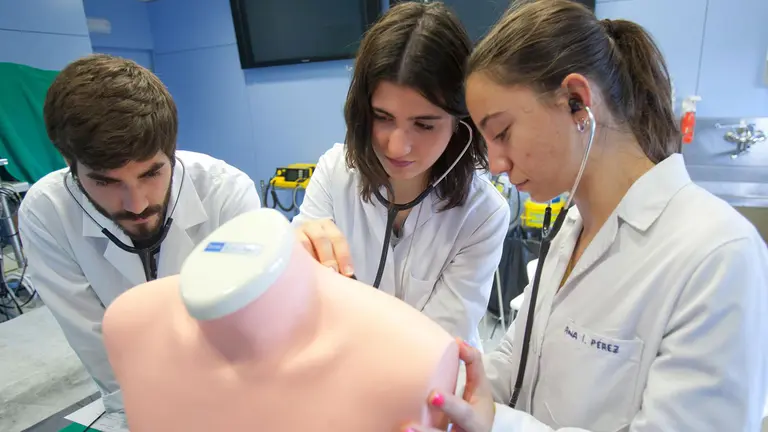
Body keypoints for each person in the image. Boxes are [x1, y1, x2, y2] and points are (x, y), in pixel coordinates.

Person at [402, 1, 768, 431]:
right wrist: (444, 398)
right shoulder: (573, 229)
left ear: (577, 101)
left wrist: (498, 425)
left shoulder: (718, 254)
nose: (496, 164)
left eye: (502, 133)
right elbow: (519, 362)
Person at [17, 54, 261, 413]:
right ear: (70, 166)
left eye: (151, 174)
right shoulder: (46, 213)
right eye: (104, 181)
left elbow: (248, 327)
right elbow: (96, 342)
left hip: (237, 393)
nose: (135, 204)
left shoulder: (225, 192)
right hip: (136, 402)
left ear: (172, 152)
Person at [292, 2, 510, 349]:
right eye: (383, 117)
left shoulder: (483, 214)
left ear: (461, 123)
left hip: (432, 386)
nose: (396, 147)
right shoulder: (335, 172)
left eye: (424, 124)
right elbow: (295, 300)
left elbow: (435, 341)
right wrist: (292, 254)